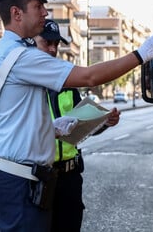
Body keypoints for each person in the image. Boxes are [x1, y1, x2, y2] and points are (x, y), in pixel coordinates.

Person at [0, 0, 153, 232]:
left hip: (9, 177)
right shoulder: (22, 58)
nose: (45, 12)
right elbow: (89, 76)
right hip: (20, 181)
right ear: (16, 13)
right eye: (38, 6)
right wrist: (142, 54)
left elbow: (12, 118)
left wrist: (50, 128)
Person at [34, 19, 120, 232]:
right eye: (47, 43)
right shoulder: (27, 84)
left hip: (70, 177)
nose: (53, 49)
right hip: (40, 176)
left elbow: (82, 129)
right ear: (32, 42)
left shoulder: (68, 84)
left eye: (56, 44)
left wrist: (104, 123)